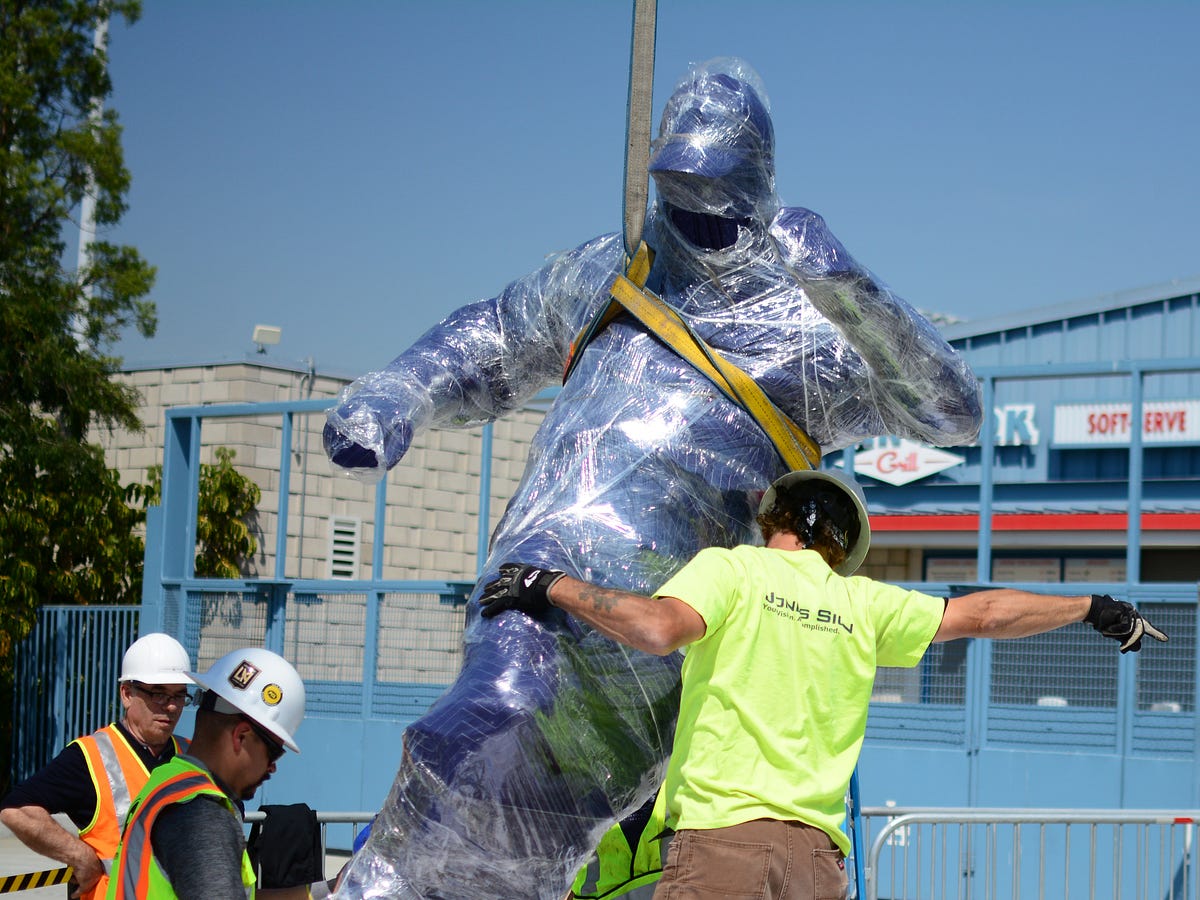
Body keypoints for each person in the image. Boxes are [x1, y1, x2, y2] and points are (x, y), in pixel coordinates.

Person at [323, 57, 983, 898]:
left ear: (756, 196)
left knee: (528, 837)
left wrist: (849, 289)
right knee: (485, 725)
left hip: (657, 637)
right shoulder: (613, 274)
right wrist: (396, 393)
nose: (698, 219)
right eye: (682, 195)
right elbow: (494, 335)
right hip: (541, 580)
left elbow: (949, 412)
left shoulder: (802, 334)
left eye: (718, 201)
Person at [479, 467, 1169, 899]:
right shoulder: (863, 603)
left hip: (723, 845)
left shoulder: (735, 569)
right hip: (815, 862)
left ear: (774, 519)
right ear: (842, 547)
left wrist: (550, 584)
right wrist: (1093, 608)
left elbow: (657, 629)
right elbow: (984, 614)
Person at [105, 647, 336, 900]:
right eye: (274, 753)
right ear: (241, 736)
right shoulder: (201, 817)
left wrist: (332, 890)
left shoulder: (168, 781)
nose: (273, 767)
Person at [0, 633, 194, 900]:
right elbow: (17, 809)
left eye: (180, 695)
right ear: (127, 694)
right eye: (158, 694)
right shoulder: (91, 756)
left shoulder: (191, 756)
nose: (171, 706)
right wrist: (78, 855)